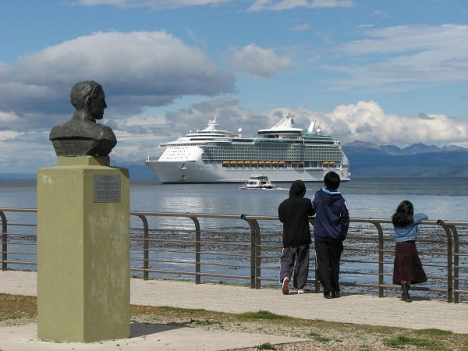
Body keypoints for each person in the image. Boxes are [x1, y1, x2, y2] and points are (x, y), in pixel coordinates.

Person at [49, 80, 117, 157]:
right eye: (101, 100)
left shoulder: (55, 132)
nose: (105, 105)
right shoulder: (103, 133)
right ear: (89, 101)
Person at [312, 171, 349, 299]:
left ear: (325, 183)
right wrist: (342, 233)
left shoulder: (317, 195)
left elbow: (313, 209)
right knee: (334, 263)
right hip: (336, 236)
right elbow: (345, 218)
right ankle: (336, 289)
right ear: (338, 184)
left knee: (323, 263)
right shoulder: (341, 200)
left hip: (321, 235)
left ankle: (327, 290)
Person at [278, 179, 315, 295]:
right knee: (302, 261)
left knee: (286, 259)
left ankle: (285, 277)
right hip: (303, 237)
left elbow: (281, 219)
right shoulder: (306, 202)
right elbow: (312, 212)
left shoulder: (283, 204)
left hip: (289, 237)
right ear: (303, 191)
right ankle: (300, 287)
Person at [392, 200, 427, 302]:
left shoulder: (394, 219)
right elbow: (424, 216)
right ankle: (406, 293)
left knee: (402, 269)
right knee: (410, 269)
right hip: (410, 245)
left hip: (399, 246)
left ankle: (405, 293)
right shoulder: (413, 220)